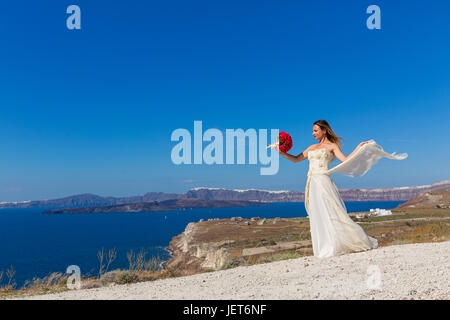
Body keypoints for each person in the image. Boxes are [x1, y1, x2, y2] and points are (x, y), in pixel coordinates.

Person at [276, 120, 408, 258]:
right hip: (312, 182)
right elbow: (296, 159)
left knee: (332, 211)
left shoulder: (332, 146)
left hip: (323, 180)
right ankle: (323, 248)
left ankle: (335, 245)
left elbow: (345, 160)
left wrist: (358, 148)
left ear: (324, 130)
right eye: (313, 131)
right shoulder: (311, 147)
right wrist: (281, 152)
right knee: (317, 213)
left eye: (315, 130)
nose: (313, 133)